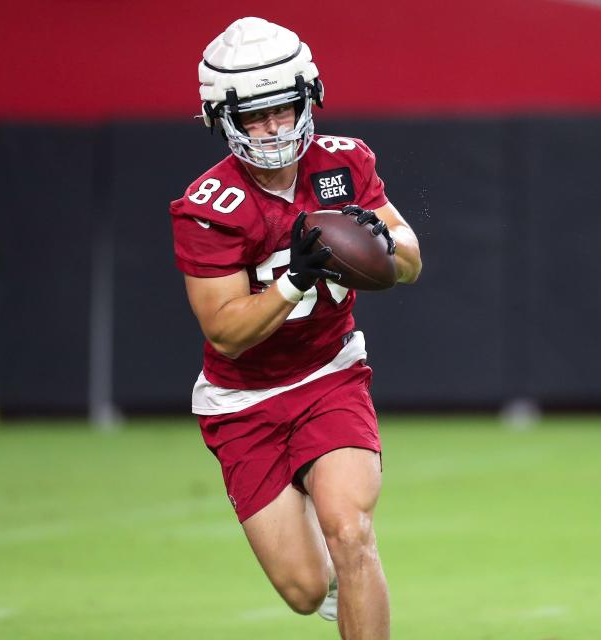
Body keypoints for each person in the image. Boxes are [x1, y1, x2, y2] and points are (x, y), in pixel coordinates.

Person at [169, 17, 421, 640]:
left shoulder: (344, 163)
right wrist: (294, 280)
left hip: (329, 374)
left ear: (309, 97)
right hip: (243, 401)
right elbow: (225, 331)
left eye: (283, 109)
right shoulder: (208, 208)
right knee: (306, 590)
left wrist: (381, 239)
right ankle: (337, 588)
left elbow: (411, 263)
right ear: (220, 119)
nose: (275, 128)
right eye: (254, 116)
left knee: (351, 531)